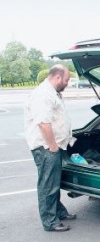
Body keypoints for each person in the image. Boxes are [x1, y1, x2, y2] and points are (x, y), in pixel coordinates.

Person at [24, 64, 77, 232]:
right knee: (48, 184)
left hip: (53, 146)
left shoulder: (53, 93)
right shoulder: (43, 95)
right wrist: (52, 146)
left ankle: (58, 212)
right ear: (58, 77)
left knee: (54, 182)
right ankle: (50, 221)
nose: (68, 83)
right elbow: (43, 123)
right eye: (67, 80)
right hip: (46, 147)